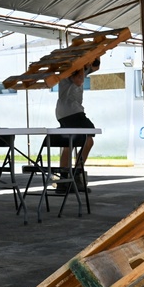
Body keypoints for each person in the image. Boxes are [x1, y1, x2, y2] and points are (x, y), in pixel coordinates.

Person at [55, 57, 101, 192]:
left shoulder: (81, 69)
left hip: (64, 112)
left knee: (69, 144)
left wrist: (96, 57)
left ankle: (63, 180)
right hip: (72, 111)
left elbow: (96, 67)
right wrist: (83, 64)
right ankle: (76, 175)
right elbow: (78, 80)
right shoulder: (71, 68)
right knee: (88, 140)